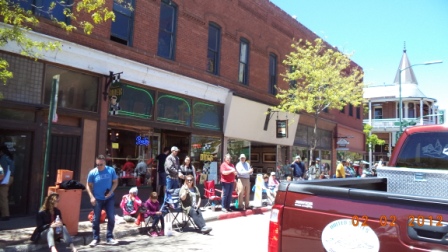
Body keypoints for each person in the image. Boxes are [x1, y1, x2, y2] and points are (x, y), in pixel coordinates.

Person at [86, 155, 119, 247]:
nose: (99, 166)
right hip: (97, 198)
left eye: (101, 164)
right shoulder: (93, 172)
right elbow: (88, 185)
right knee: (96, 219)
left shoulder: (111, 170)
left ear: (105, 163)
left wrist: (111, 191)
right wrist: (91, 196)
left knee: (111, 218)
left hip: (109, 198)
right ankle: (96, 238)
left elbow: (115, 182)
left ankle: (109, 237)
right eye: (97, 164)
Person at [0, 145, 14, 221]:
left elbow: (3, 171)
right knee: (4, 196)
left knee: (3, 197)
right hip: (10, 178)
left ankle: (5, 215)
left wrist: (1, 180)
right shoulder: (9, 158)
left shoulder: (3, 159)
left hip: (5, 179)